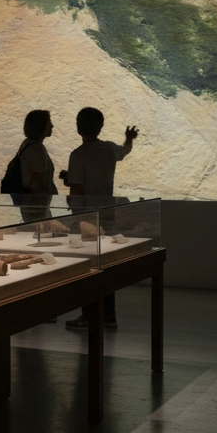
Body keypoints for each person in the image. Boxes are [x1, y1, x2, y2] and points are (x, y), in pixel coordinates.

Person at [60, 106, 138, 328]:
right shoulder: (110, 149)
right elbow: (125, 150)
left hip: (86, 218)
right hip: (107, 214)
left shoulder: (78, 155)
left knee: (88, 266)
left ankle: (89, 315)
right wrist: (129, 138)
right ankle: (109, 314)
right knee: (105, 263)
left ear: (78, 128)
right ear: (101, 126)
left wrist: (73, 214)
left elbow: (77, 192)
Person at [14, 110, 57, 223]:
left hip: (30, 204)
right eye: (49, 123)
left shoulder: (27, 144)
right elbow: (39, 183)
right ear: (41, 125)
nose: (52, 126)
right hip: (36, 206)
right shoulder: (37, 149)